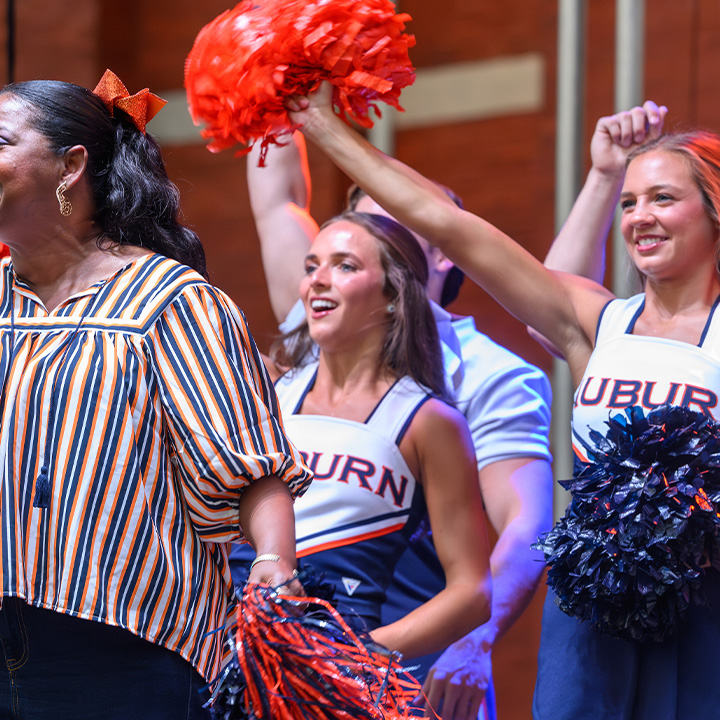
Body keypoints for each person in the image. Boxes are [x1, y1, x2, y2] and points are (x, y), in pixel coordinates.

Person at [0, 71, 309, 718]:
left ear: (71, 164)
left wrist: (274, 565)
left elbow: (251, 469)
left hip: (119, 651)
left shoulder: (172, 302)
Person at [288, 82, 714, 719]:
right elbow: (447, 226)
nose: (638, 217)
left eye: (663, 198)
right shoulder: (601, 325)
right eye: (629, 202)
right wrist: (323, 129)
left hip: (704, 598)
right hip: (587, 611)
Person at [245, 129, 556, 719]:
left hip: (399, 664)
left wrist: (472, 641)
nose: (320, 277)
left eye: (352, 255)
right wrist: (281, 85)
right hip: (264, 662)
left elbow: (524, 526)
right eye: (319, 262)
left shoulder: (478, 381)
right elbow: (276, 200)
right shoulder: (288, 363)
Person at [255, 206, 492, 668]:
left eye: (344, 266)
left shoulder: (428, 421)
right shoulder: (265, 390)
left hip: (336, 680)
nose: (317, 280)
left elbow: (472, 591)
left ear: (392, 295)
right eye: (312, 266)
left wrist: (360, 657)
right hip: (225, 657)